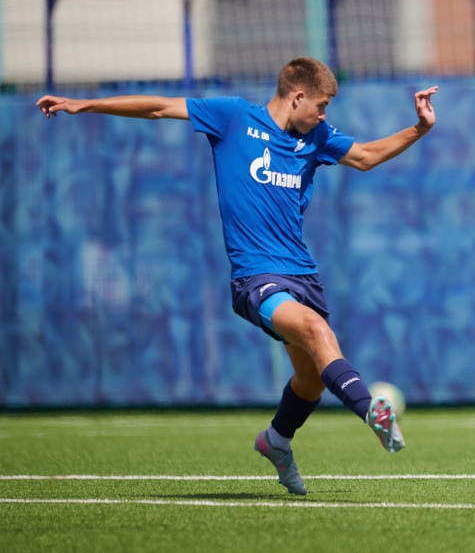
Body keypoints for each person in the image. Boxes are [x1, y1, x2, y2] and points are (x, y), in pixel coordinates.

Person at [36, 57, 438, 496]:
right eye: (320, 105)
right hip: (255, 278)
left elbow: (366, 157)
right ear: (297, 95)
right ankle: (372, 413)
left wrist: (419, 128)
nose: (324, 116)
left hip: (303, 275)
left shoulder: (316, 137)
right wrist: (83, 104)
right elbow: (158, 107)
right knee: (316, 329)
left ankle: (276, 442)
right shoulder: (232, 117)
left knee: (310, 380)